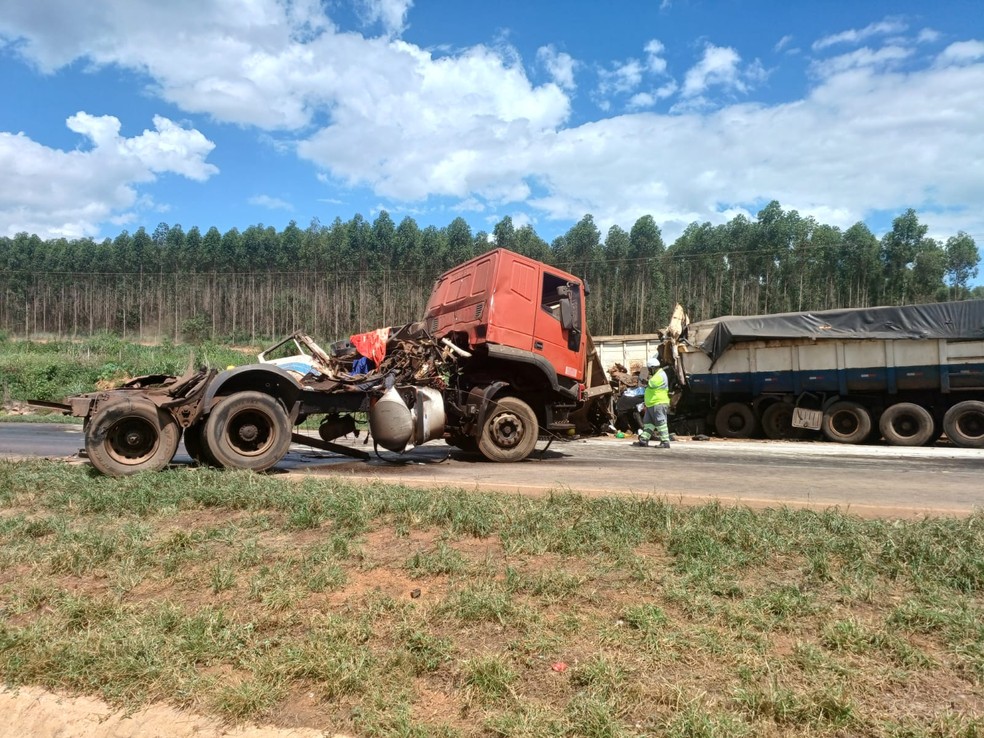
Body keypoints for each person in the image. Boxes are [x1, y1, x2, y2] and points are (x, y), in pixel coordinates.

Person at [632, 353, 671, 449]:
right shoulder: (657, 375)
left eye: (649, 369)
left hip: (659, 403)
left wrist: (644, 381)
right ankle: (644, 440)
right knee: (648, 423)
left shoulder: (660, 375)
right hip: (652, 404)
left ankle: (665, 442)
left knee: (660, 422)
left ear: (653, 368)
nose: (649, 372)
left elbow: (651, 384)